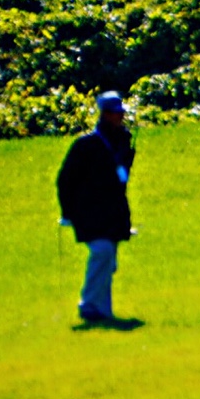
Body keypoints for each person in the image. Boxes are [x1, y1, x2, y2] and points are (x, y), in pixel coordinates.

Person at [56, 90, 137, 327]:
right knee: (102, 251)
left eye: (121, 113)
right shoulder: (86, 144)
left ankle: (103, 312)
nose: (119, 117)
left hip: (113, 212)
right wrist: (67, 213)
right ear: (104, 114)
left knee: (108, 260)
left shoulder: (122, 140)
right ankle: (89, 305)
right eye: (115, 113)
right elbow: (65, 180)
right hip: (88, 212)